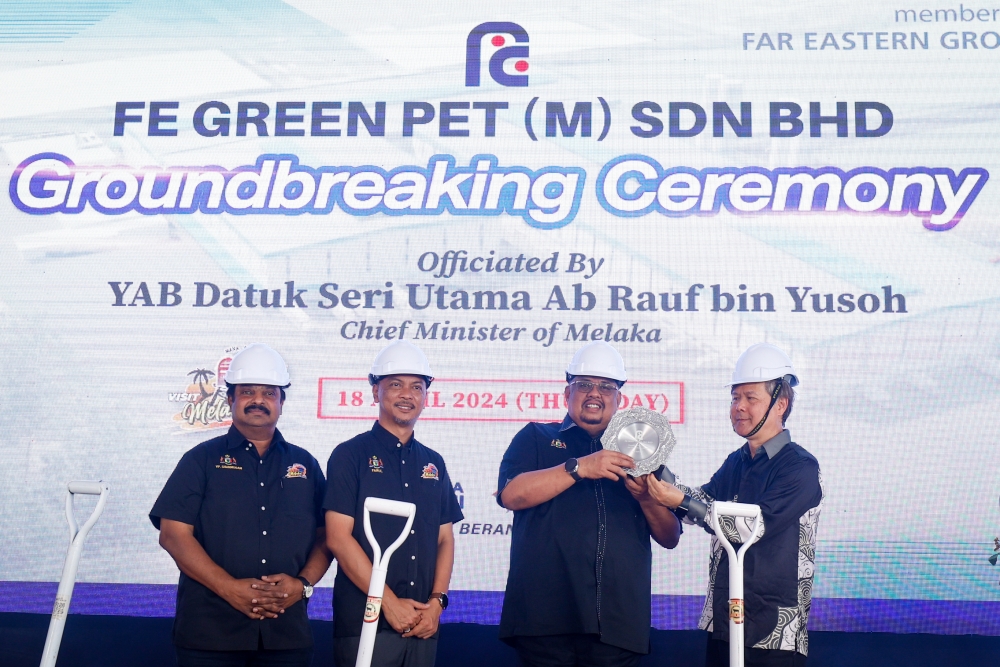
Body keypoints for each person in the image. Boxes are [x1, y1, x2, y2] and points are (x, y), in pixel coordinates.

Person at [496, 341, 681, 667]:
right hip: (544, 623)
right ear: (567, 395)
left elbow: (670, 536)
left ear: (619, 399)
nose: (595, 393)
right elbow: (511, 494)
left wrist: (646, 500)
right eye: (584, 385)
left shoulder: (642, 451)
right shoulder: (535, 437)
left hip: (618, 625)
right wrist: (579, 467)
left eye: (606, 387)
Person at [150, 343, 332, 667]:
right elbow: (173, 535)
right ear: (230, 399)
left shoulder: (306, 465)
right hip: (209, 636)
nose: (258, 400)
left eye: (268, 393)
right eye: (247, 391)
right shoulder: (200, 460)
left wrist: (302, 585)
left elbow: (326, 537)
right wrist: (229, 588)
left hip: (286, 637)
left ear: (281, 402)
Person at [646, 343, 823, 667]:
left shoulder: (800, 466)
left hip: (775, 631)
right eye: (734, 398)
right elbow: (703, 502)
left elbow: (754, 525)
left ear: (781, 403)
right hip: (726, 622)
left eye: (750, 398)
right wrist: (653, 467)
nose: (738, 407)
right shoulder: (738, 460)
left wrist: (680, 500)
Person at [324, 341, 463, 667]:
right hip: (365, 623)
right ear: (375, 392)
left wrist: (436, 604)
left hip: (423, 625)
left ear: (426, 397)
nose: (407, 394)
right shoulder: (350, 455)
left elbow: (444, 538)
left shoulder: (434, 463)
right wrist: (388, 603)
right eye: (395, 384)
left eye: (417, 387)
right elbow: (338, 538)